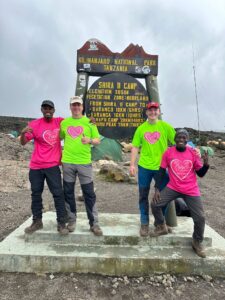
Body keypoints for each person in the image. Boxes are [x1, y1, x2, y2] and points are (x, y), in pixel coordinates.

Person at [151, 129, 209, 258]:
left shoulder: (193, 153)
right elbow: (161, 172)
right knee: (155, 204)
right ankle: (161, 226)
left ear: (187, 140)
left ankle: (197, 241)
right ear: (174, 139)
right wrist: (157, 189)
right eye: (178, 137)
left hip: (191, 189)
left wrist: (206, 165)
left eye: (184, 137)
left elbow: (201, 174)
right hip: (173, 187)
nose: (181, 139)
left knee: (200, 217)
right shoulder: (168, 153)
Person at [20, 100, 69, 235]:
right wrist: (23, 133)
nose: (47, 110)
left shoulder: (60, 121)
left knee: (58, 194)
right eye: (45, 108)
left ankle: (61, 223)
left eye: (50, 108)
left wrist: (90, 121)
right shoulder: (34, 124)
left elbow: (77, 122)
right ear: (41, 109)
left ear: (54, 110)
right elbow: (23, 143)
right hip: (36, 166)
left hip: (52, 166)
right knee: (36, 194)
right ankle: (37, 222)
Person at [130, 101, 176, 237]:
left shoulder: (165, 127)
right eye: (150, 110)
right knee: (143, 196)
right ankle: (144, 223)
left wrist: (193, 151)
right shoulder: (141, 128)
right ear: (146, 112)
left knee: (164, 197)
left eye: (155, 110)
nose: (153, 112)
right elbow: (135, 147)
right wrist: (132, 164)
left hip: (162, 168)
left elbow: (179, 142)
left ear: (159, 112)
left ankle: (160, 223)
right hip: (144, 167)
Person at [60, 96, 103, 236]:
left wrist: (89, 140)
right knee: (68, 192)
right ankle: (71, 221)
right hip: (67, 162)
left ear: (82, 107)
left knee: (89, 194)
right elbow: (58, 137)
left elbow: (98, 140)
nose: (76, 107)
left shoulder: (90, 122)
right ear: (70, 107)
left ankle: (94, 223)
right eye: (74, 105)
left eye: (78, 105)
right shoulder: (64, 123)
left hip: (84, 163)